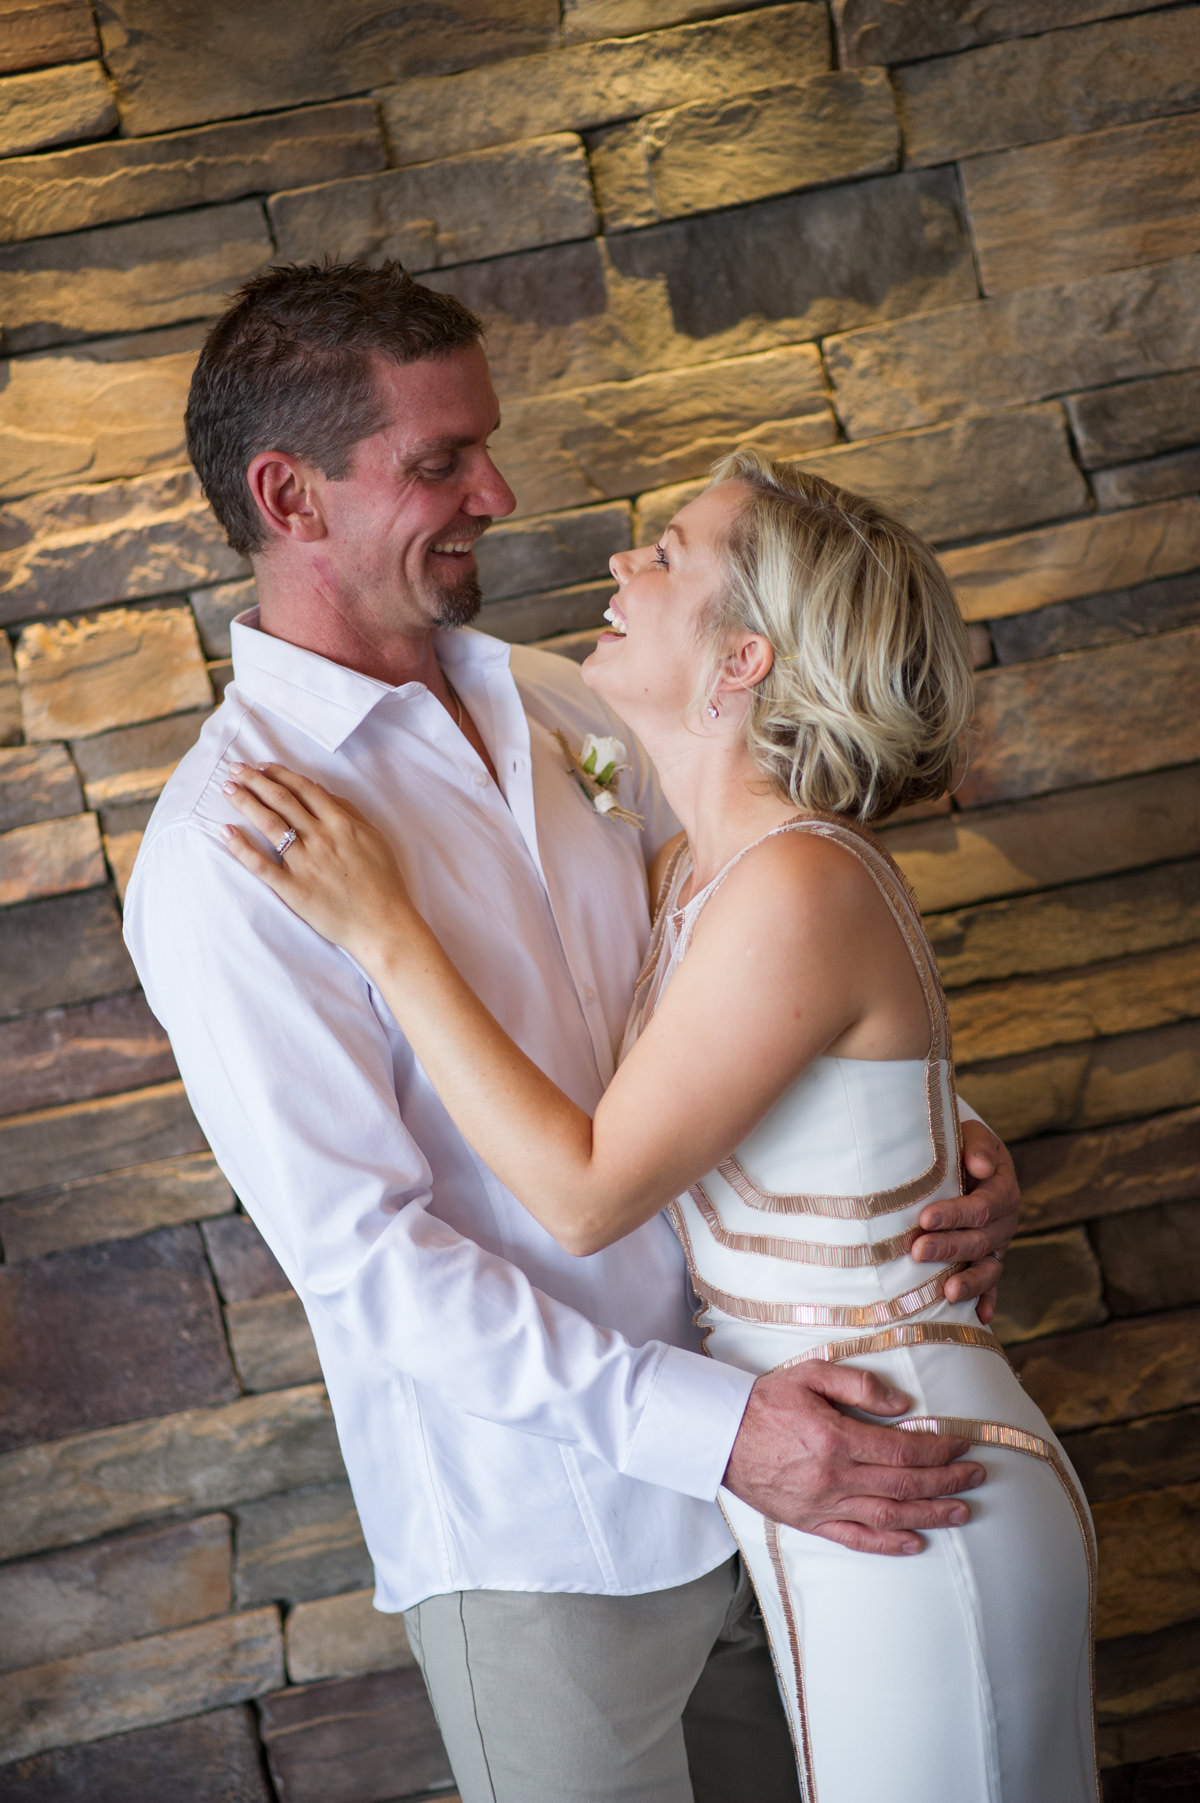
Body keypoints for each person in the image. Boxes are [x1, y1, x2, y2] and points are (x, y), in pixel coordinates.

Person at [125, 261, 1021, 1803]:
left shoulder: (569, 705)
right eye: (438, 463)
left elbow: (758, 961)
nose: (500, 489)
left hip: (794, 1463)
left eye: (483, 444)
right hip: (552, 1527)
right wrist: (715, 1432)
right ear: (291, 495)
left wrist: (925, 1141)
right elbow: (369, 1261)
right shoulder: (229, 849)